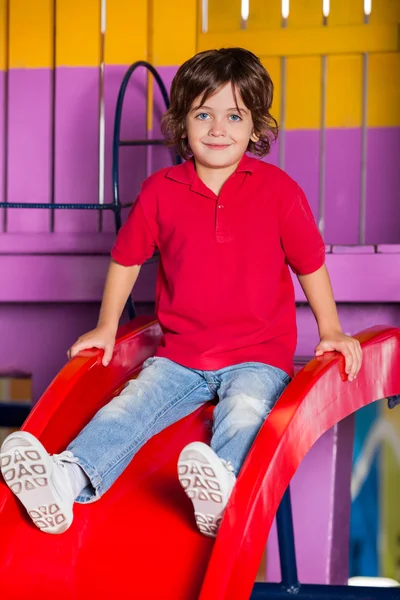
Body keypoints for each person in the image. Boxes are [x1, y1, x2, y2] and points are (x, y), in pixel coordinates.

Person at [0, 47, 362, 537]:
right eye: (203, 114)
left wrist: (332, 329)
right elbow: (126, 260)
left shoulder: (279, 191)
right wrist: (107, 327)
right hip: (181, 356)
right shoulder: (160, 190)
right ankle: (67, 478)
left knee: (247, 411)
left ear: (255, 127)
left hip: (257, 355)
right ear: (182, 124)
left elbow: (310, 264)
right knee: (128, 408)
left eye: (234, 115)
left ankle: (223, 488)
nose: (218, 128)